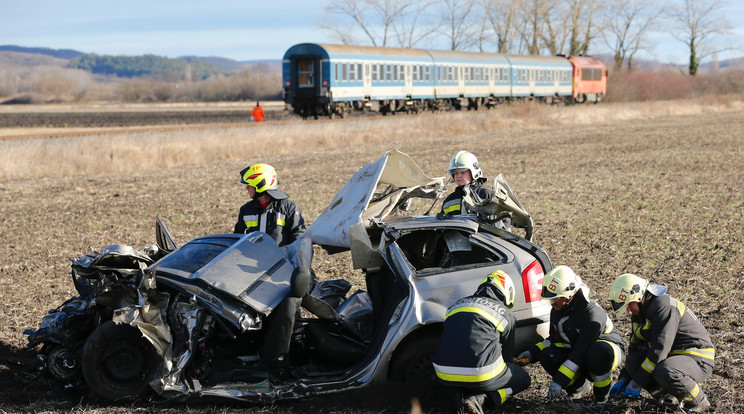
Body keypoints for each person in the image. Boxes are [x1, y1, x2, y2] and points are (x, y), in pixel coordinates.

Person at [516, 265, 625, 404]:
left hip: (604, 351)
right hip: (580, 352)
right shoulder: (558, 309)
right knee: (547, 355)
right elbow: (553, 340)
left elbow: (581, 351)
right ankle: (579, 389)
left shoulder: (591, 314)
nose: (551, 302)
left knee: (597, 354)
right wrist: (532, 353)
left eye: (555, 298)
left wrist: (559, 381)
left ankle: (602, 399)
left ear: (569, 296)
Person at [608, 274, 714, 412]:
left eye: (628, 304)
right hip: (671, 357)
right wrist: (624, 378)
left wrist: (638, 381)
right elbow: (636, 347)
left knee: (666, 371)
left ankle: (698, 402)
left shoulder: (664, 307)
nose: (628, 310)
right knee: (633, 362)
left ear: (639, 297)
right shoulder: (639, 314)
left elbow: (660, 349)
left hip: (696, 357)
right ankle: (668, 398)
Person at [433, 270, 531, 414]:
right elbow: (507, 356)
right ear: (507, 293)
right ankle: (483, 399)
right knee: (523, 379)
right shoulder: (504, 313)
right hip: (482, 375)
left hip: (443, 373)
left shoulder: (455, 305)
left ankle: (455, 397)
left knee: (461, 374)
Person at [234, 163, 305, 247]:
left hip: (280, 259)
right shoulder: (246, 210)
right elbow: (237, 240)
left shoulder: (288, 208)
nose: (247, 188)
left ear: (260, 185)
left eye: (249, 185)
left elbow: (299, 238)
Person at [441, 150, 510, 230]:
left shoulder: (487, 195)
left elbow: (504, 220)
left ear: (473, 172)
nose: (458, 176)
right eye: (456, 173)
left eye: (463, 172)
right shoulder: (449, 201)